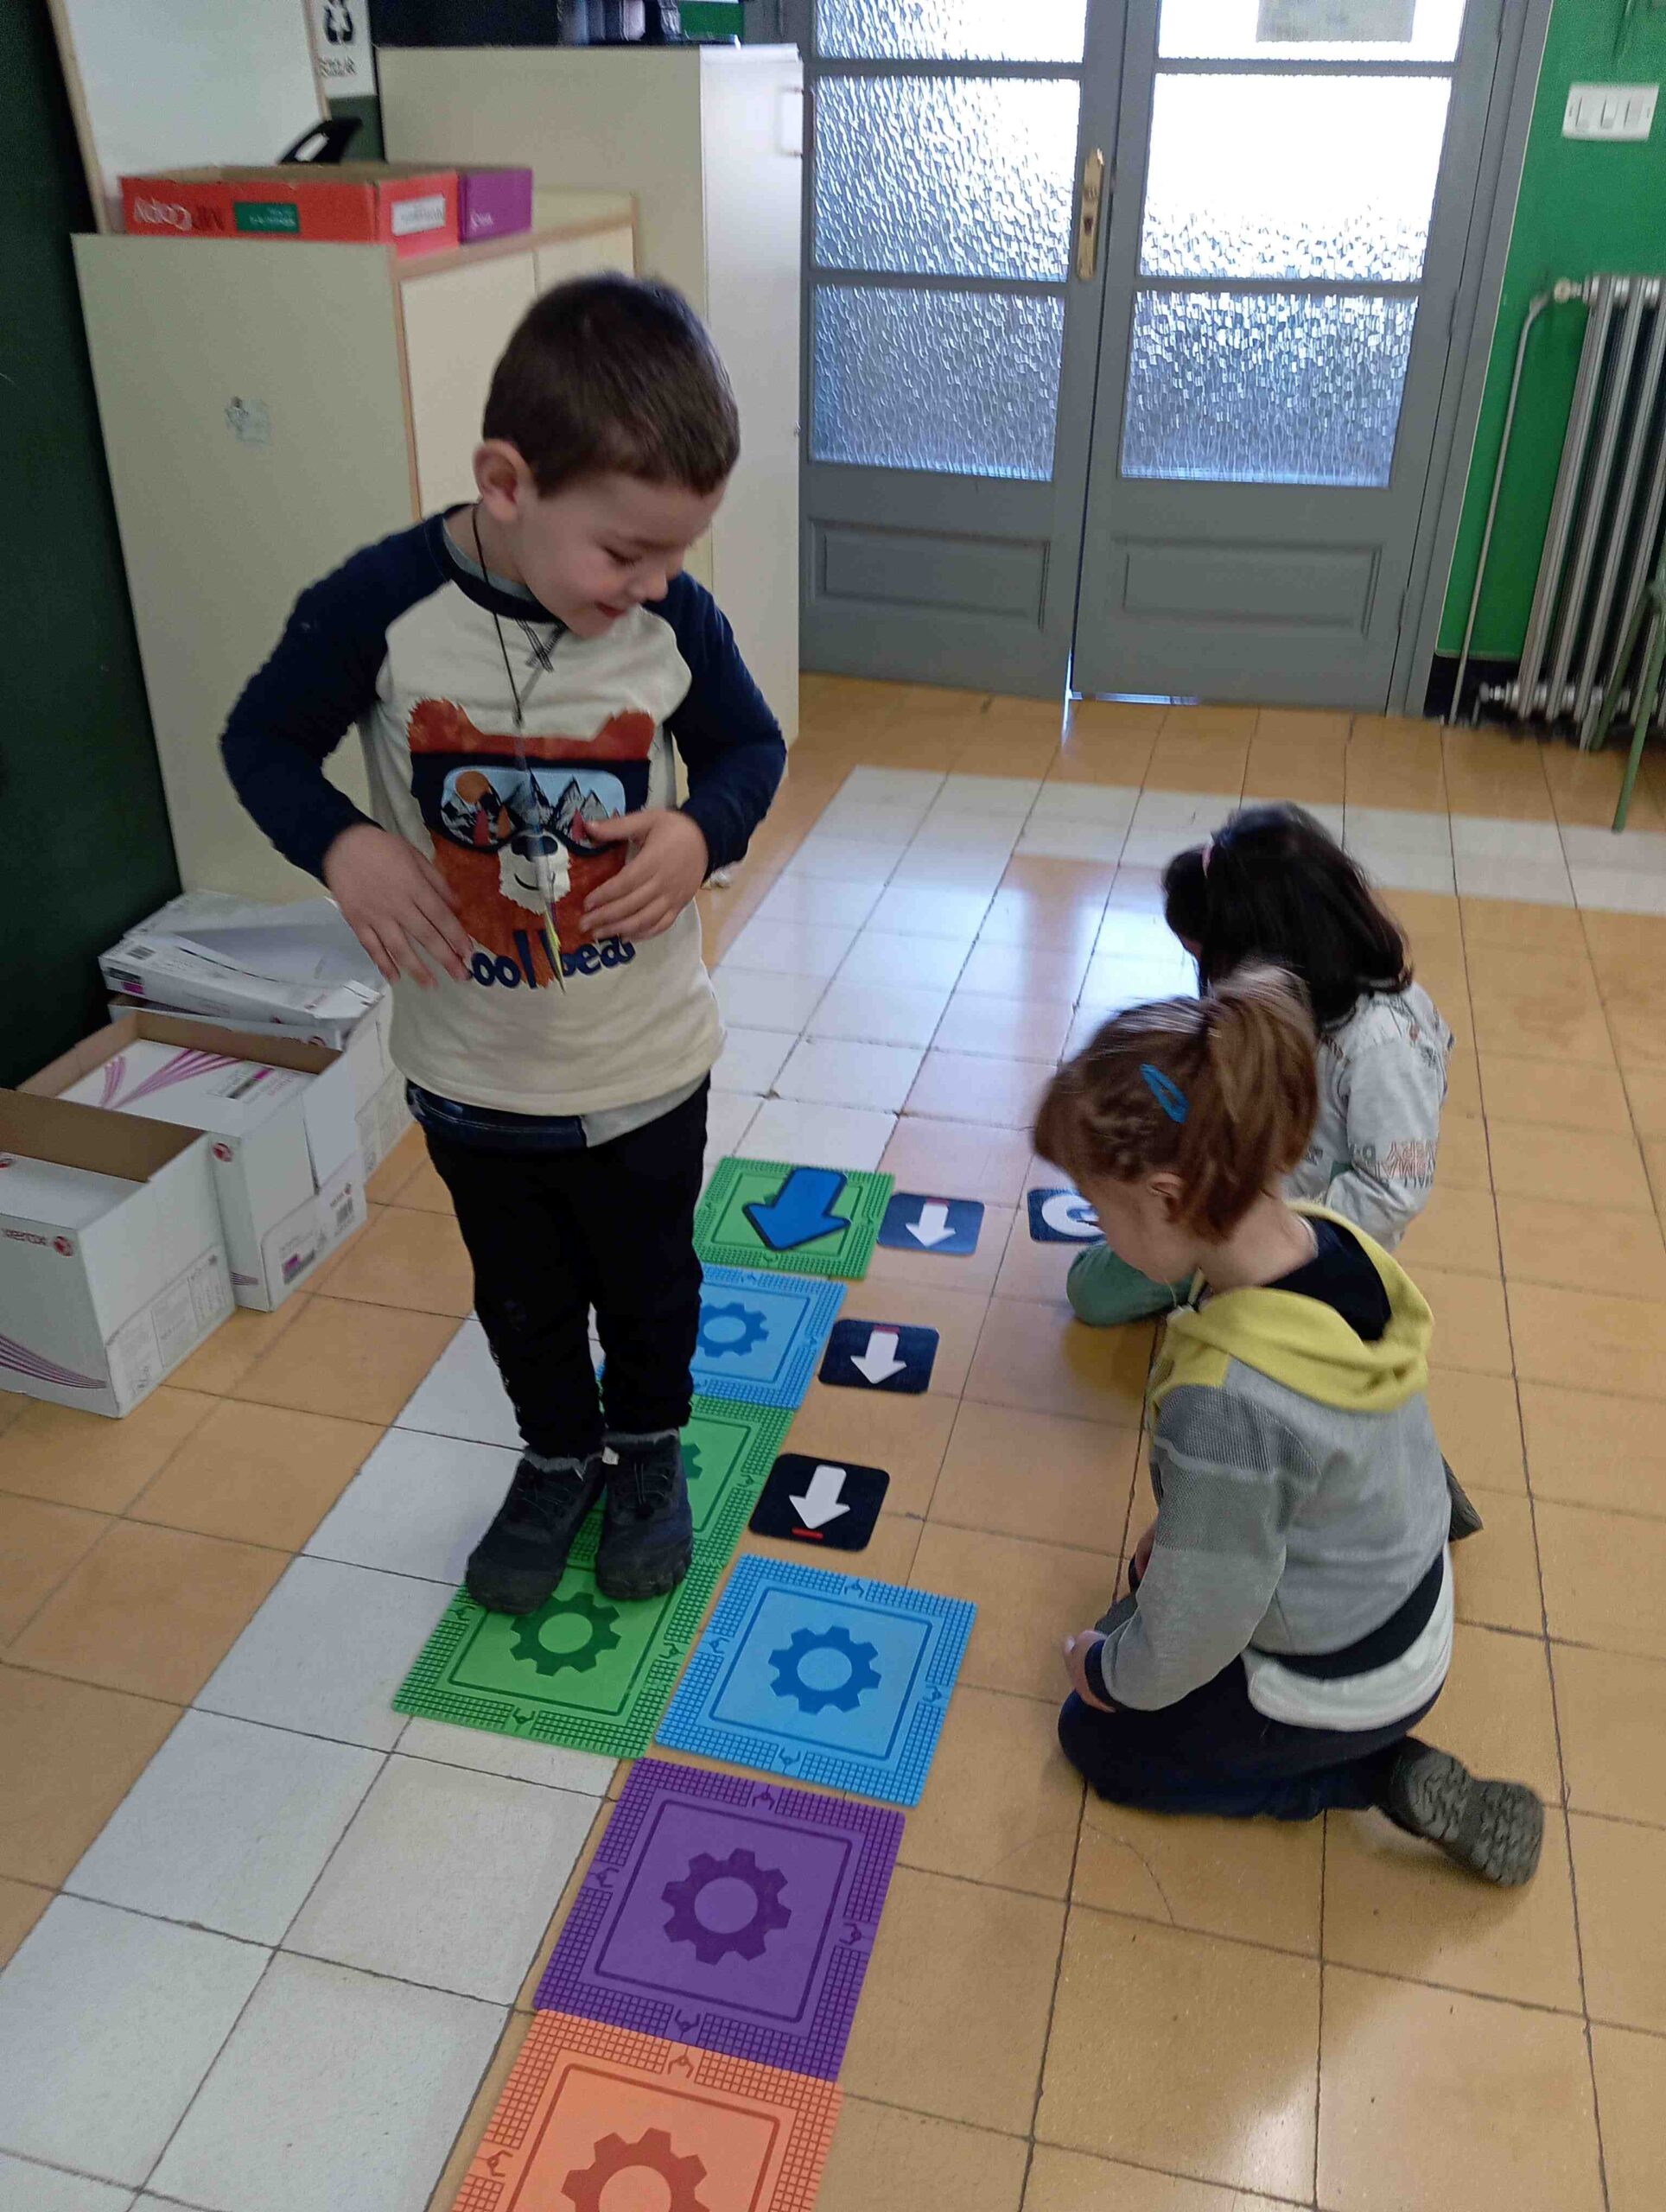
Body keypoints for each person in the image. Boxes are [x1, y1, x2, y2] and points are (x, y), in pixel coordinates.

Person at [223, 276, 785, 1615]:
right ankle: (557, 1457)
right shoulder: (380, 605)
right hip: (471, 1068)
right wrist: (345, 844)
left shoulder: (671, 621)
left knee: (648, 1283)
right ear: (508, 482)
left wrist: (702, 830)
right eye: (626, 553)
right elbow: (261, 741)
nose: (653, 586)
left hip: (644, 1058)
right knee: (523, 1295)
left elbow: (750, 749)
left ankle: (645, 1451)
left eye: (675, 558)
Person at [1036, 969, 1542, 1885]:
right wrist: (1188, 1537)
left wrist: (1106, 1672)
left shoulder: (1226, 1401)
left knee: (1097, 1738)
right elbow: (1300, 1461)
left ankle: (1369, 1775)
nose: (1100, 1234)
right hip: (1403, 1594)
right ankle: (1331, 1733)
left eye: (1100, 1212)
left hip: (1346, 1677)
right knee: (1156, 1582)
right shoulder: (1327, 1241)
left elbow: (1198, 1625)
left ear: (1165, 1198)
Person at [1066, 800, 1483, 1541]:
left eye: (1212, 960)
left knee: (1286, 1384)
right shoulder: (1286, 1004)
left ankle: (1416, 1491)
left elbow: (1393, 1192)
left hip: (1293, 1243)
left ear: (1272, 949)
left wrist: (1274, 1232)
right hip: (1235, 1210)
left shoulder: (1381, 1042)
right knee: (1094, 1288)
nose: (1205, 976)